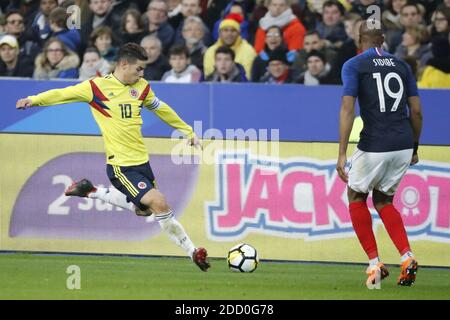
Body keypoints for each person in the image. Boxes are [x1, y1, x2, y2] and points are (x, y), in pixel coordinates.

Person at [16, 42, 210, 272]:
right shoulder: (96, 88)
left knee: (144, 210)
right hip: (120, 166)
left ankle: (91, 191)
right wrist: (34, 99)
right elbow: (62, 94)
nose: (142, 73)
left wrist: (187, 130)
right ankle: (193, 251)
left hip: (142, 163)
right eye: (139, 68)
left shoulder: (143, 87)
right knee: (159, 202)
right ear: (124, 64)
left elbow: (161, 108)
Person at [336, 21, 423, 288]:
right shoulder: (402, 65)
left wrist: (341, 153)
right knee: (384, 200)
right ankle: (407, 257)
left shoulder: (354, 65)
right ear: (383, 40)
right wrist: (415, 147)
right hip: (404, 143)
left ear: (359, 38)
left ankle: (375, 263)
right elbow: (416, 111)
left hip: (375, 143)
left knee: (355, 195)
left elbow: (348, 109)